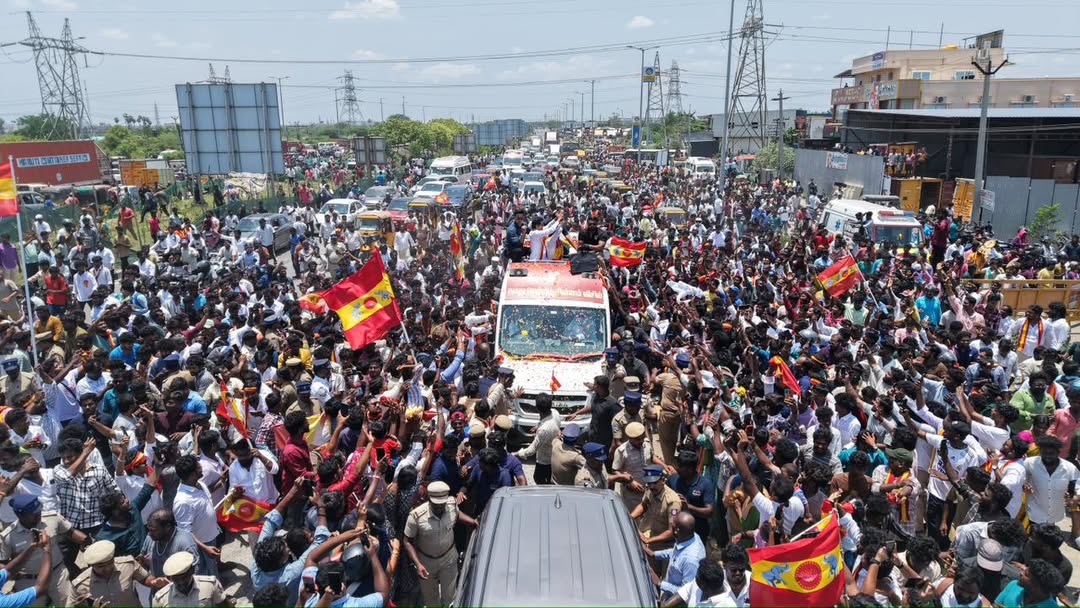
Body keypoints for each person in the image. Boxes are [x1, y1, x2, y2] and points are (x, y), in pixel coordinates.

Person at [402, 480, 478, 607]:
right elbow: (407, 541)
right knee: (431, 599)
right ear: (428, 499)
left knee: (450, 598)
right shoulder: (416, 516)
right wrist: (418, 564)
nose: (439, 507)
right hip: (426, 563)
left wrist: (473, 522)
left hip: (448, 559)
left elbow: (457, 515)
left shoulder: (451, 505)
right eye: (435, 504)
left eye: (442, 504)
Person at [153, 551, 230, 607]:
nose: (181, 582)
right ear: (169, 578)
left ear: (192, 570)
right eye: (176, 579)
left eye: (184, 577)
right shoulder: (161, 600)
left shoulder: (209, 585)